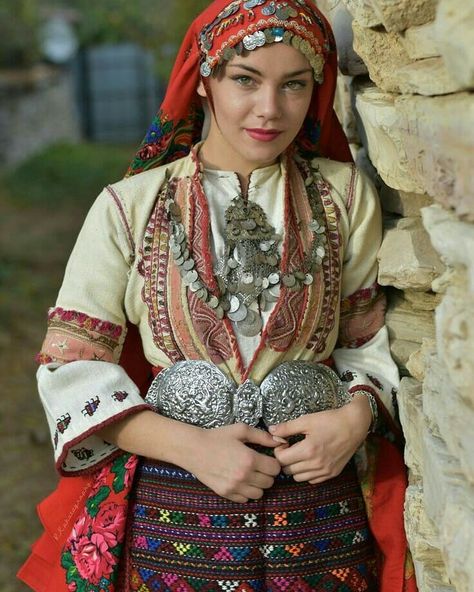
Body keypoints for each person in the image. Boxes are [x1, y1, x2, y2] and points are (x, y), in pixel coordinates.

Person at [18, 1, 417, 591]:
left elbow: (364, 339)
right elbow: (70, 365)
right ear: (204, 80)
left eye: (294, 86)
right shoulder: (130, 207)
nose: (269, 109)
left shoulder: (345, 197)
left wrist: (354, 420)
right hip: (175, 513)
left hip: (319, 516)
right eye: (245, 80)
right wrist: (192, 447)